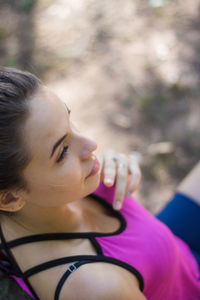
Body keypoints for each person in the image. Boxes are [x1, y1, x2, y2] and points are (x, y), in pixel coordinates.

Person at [0, 66, 199, 300]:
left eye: (69, 119)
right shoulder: (96, 289)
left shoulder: (52, 192)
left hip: (179, 255)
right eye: (63, 151)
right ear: (10, 198)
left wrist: (114, 168)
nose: (91, 144)